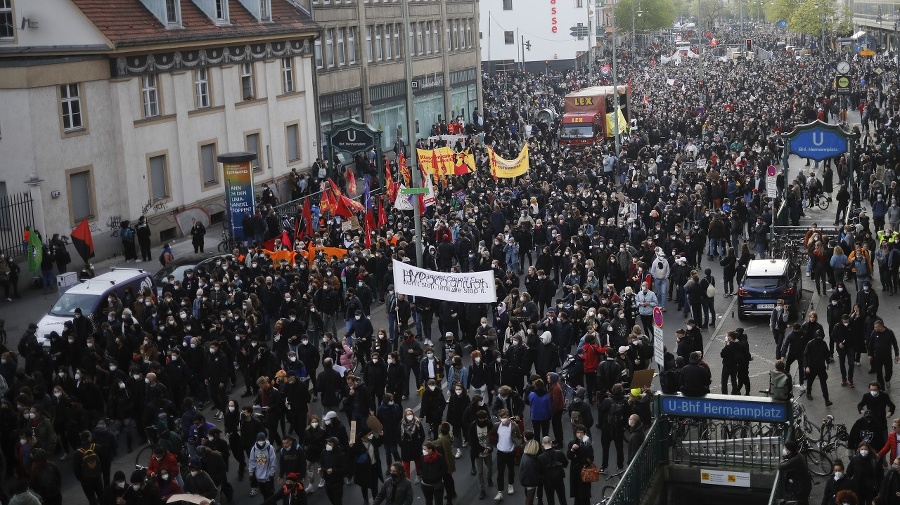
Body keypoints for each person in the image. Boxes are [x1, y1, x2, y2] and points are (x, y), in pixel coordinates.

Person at [489, 409, 522, 501]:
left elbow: (519, 436)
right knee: (500, 473)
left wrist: (516, 446)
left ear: (508, 417)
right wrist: (496, 445)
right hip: (500, 452)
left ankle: (510, 485)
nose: (504, 419)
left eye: (506, 417)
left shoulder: (514, 426)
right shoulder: (496, 426)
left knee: (511, 470)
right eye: (502, 417)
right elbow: (492, 436)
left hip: (510, 452)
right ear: (500, 418)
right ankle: (500, 491)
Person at [468, 409, 494, 499]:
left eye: (484, 418)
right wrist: (483, 449)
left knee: (489, 467)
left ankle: (489, 478)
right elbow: (472, 441)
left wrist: (489, 447)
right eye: (481, 418)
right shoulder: (473, 426)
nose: (483, 420)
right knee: (480, 472)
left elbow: (492, 437)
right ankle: (482, 490)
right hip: (478, 453)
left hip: (488, 451)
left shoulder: (489, 424)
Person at [868, 319, 900, 390]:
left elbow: (895, 343)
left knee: (889, 371)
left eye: (876, 327)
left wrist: (897, 355)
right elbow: (870, 344)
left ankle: (887, 379)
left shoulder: (889, 332)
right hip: (877, 357)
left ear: (881, 326)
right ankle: (881, 386)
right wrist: (870, 354)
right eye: (874, 327)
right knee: (879, 373)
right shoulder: (874, 332)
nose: (874, 328)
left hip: (887, 356)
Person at [567, 424, 594, 505]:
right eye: (578, 432)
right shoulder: (572, 442)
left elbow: (590, 458)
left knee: (584, 492)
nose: (579, 434)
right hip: (575, 471)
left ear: (584, 433)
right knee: (577, 493)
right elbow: (569, 456)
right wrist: (572, 450)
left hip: (584, 470)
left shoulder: (587, 443)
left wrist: (578, 454)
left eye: (581, 432)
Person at [805, 329, 833, 406]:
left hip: (820, 366)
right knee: (810, 381)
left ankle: (826, 399)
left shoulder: (822, 344)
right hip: (812, 366)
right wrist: (806, 366)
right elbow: (806, 355)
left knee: (823, 383)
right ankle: (808, 393)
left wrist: (827, 362)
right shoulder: (811, 344)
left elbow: (827, 353)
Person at [780, 441, 812, 505]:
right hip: (804, 485)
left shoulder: (795, 460)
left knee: (802, 502)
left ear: (789, 450)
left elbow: (781, 466)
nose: (784, 450)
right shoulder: (798, 455)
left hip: (802, 489)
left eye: (785, 449)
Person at [249, 431, 277, 498]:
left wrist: (272, 474)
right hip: (259, 477)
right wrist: (251, 473)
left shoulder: (270, 448)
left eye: (262, 440)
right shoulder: (254, 449)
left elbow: (273, 461)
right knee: (264, 494)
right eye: (259, 440)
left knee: (270, 494)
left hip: (268, 477)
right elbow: (252, 462)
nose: (261, 442)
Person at [319, 436, 347, 505]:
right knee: (331, 499)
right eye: (327, 444)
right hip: (327, 481)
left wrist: (333, 470)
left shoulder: (341, 454)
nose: (328, 446)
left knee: (337, 501)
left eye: (330, 444)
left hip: (337, 482)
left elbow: (345, 469)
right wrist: (320, 468)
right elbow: (321, 463)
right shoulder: (324, 453)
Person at [419, 441, 447, 505]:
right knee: (428, 501)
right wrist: (422, 474)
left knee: (438, 502)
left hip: (437, 484)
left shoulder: (439, 457)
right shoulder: (422, 458)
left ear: (430, 450)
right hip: (425, 485)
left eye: (425, 449)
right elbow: (420, 468)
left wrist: (438, 476)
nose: (423, 451)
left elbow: (444, 469)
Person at [518, 439, 540, 505]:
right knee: (529, 501)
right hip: (530, 483)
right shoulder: (529, 461)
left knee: (529, 499)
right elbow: (531, 475)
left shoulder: (525, 456)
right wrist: (538, 480)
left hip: (525, 481)